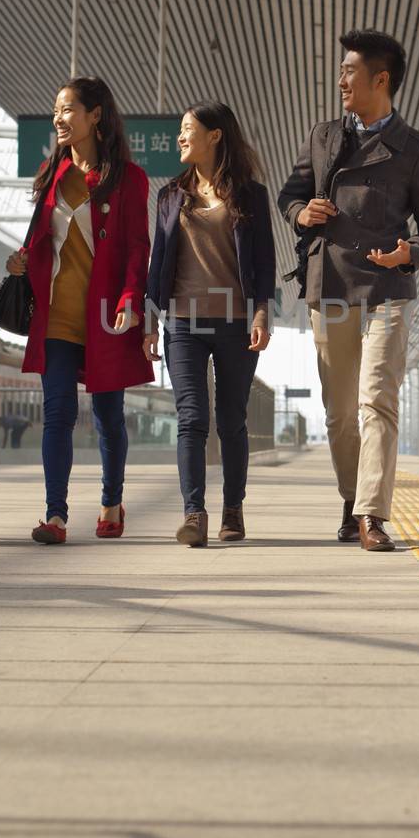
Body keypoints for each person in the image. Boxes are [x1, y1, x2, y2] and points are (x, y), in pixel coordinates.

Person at [278, 29, 419, 552]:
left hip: (387, 286)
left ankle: (371, 515)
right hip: (329, 283)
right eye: (341, 70)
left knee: (377, 399)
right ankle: (352, 498)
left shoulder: (416, 149)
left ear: (382, 80)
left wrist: (412, 253)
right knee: (338, 409)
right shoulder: (323, 136)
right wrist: (300, 212)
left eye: (349, 71)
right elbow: (291, 195)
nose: (340, 79)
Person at [5, 77, 151, 544]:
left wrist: (132, 299)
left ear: (95, 116)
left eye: (68, 109)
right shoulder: (52, 172)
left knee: (109, 414)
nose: (58, 118)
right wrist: (21, 260)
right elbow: (41, 239)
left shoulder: (129, 179)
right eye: (55, 111)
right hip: (58, 315)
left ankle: (111, 501)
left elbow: (136, 249)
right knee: (58, 413)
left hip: (108, 317)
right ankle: (56, 515)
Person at [145, 103, 275, 547]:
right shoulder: (169, 196)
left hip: (236, 322)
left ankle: (233, 510)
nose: (180, 138)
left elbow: (264, 261)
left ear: (215, 136)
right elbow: (157, 261)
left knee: (231, 421)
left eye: (187, 130)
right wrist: (149, 320)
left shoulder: (250, 195)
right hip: (182, 322)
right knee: (191, 419)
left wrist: (262, 311)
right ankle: (194, 513)